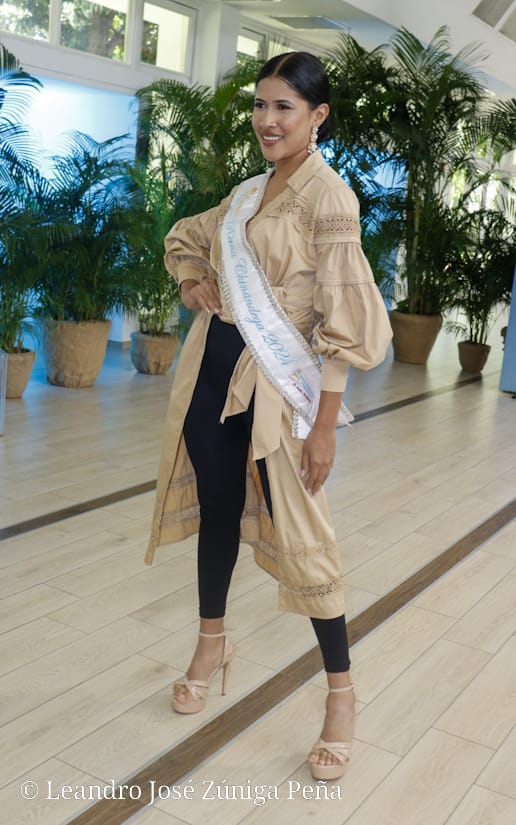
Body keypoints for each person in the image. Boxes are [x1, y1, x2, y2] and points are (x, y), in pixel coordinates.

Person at [145, 51, 392, 781]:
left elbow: (346, 317)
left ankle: (341, 695)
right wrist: (192, 280)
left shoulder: (330, 199)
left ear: (318, 116)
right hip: (209, 375)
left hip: (278, 391)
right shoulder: (250, 190)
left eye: (284, 106)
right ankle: (211, 644)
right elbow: (188, 237)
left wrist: (325, 426)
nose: (266, 119)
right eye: (260, 105)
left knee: (306, 536)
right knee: (219, 511)